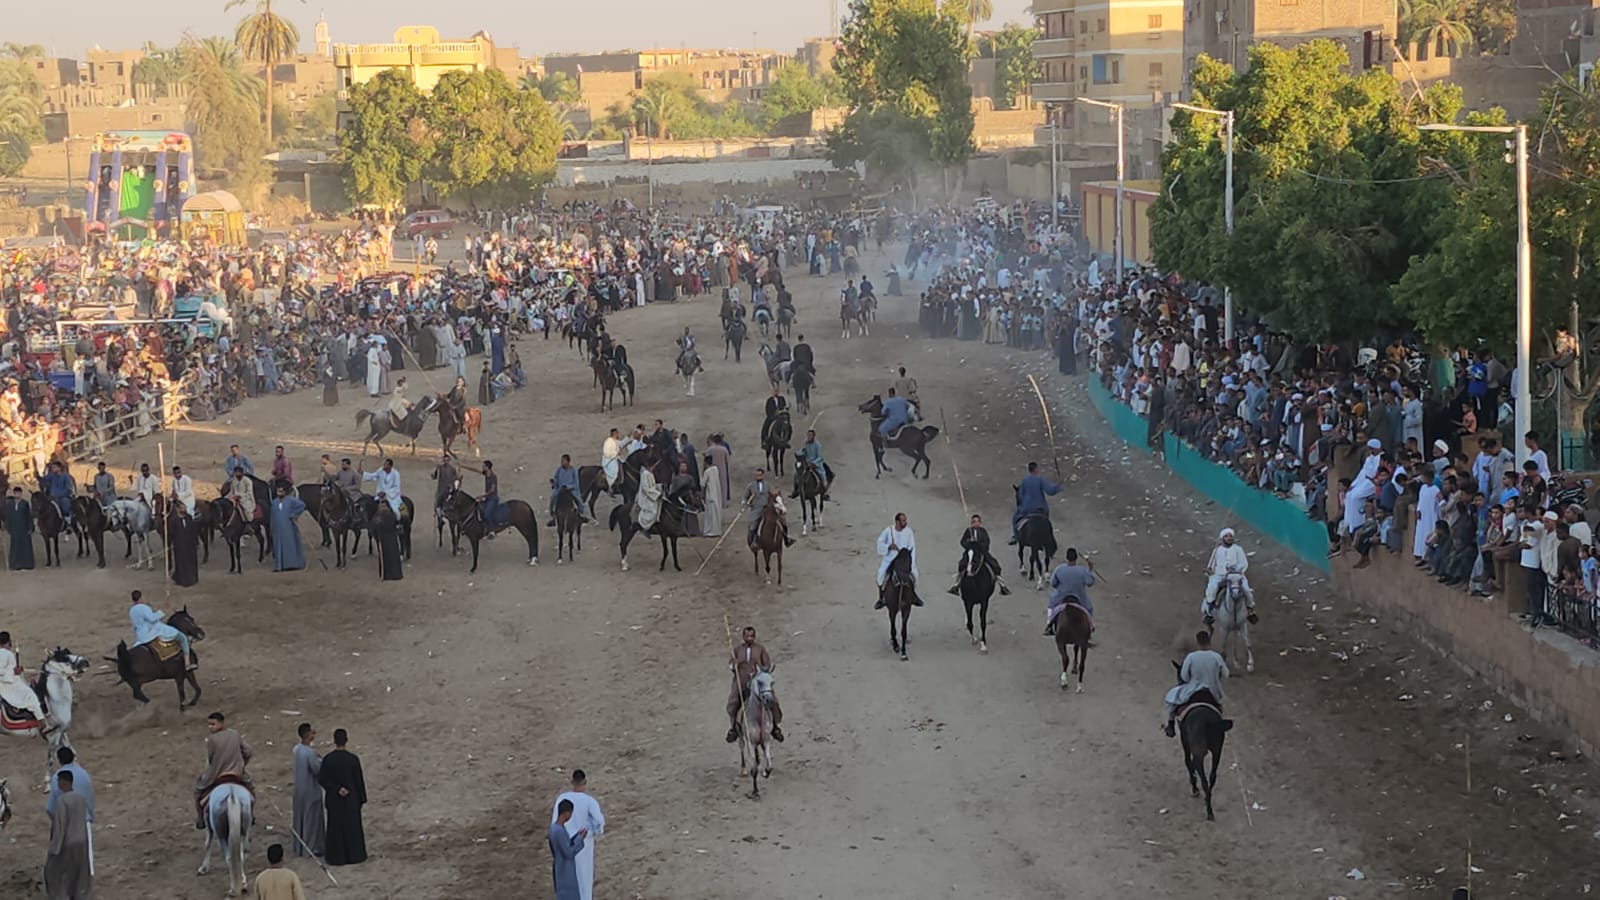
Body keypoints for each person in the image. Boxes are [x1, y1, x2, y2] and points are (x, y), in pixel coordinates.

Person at [550, 770, 606, 900]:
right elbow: (599, 821)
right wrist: (591, 831)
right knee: (584, 883)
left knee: (565, 885)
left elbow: (554, 825)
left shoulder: (562, 799)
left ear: (572, 783)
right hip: (583, 847)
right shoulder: (589, 801)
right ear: (585, 783)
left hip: (563, 847)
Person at [1163, 631, 1229, 737]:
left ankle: (1170, 725)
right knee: (1219, 706)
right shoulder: (1216, 657)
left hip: (1193, 689)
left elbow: (1184, 676)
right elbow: (1226, 674)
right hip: (1213, 691)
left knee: (1170, 698)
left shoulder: (1191, 657)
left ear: (1198, 643)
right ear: (1209, 642)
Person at [194, 711, 253, 830]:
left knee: (198, 792)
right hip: (237, 773)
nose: (210, 727)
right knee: (251, 789)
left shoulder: (212, 740)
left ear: (221, 723)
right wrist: (242, 765)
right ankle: (252, 814)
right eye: (209, 725)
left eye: (213, 724)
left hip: (218, 774)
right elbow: (248, 751)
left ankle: (200, 819)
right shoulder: (235, 734)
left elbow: (211, 760)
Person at [725, 625, 784, 744]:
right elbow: (731, 666)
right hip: (741, 681)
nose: (749, 638)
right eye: (747, 636)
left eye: (752, 636)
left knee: (772, 700)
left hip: (758, 681)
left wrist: (760, 670)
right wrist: (735, 664)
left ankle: (775, 727)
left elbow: (767, 665)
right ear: (743, 637)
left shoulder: (760, 649)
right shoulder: (737, 650)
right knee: (733, 702)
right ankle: (733, 728)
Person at [320, 728, 368, 866]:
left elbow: (322, 779)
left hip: (334, 799)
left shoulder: (328, 760)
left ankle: (337, 857)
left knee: (336, 828)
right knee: (352, 828)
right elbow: (358, 781)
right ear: (346, 740)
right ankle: (354, 855)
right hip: (350, 798)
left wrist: (336, 789)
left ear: (334, 741)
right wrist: (361, 799)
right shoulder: (352, 759)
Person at [44, 768, 92, 900]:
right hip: (82, 841)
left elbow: (60, 825)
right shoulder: (81, 798)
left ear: (64, 782)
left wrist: (54, 849)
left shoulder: (62, 800)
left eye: (59, 780)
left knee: (57, 874)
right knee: (80, 875)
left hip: (67, 842)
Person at [129, 589, 196, 670]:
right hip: (151, 632)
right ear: (141, 598)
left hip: (140, 635)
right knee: (182, 637)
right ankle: (187, 664)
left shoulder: (132, 610)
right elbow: (152, 619)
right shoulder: (143, 607)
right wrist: (163, 611)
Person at [946, 513, 1011, 596]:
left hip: (981, 552)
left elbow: (987, 542)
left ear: (980, 523)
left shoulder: (983, 531)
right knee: (962, 564)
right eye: (974, 521)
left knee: (994, 565)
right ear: (971, 523)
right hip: (970, 552)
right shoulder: (968, 531)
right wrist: (969, 542)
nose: (976, 523)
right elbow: (962, 542)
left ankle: (1002, 586)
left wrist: (978, 544)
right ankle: (956, 585)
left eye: (977, 521)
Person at [873, 512, 923, 608]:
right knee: (880, 574)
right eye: (903, 520)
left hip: (904, 559)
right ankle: (881, 598)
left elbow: (912, 547)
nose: (905, 522)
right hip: (890, 558)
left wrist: (909, 560)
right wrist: (888, 547)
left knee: (915, 574)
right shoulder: (888, 531)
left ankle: (914, 596)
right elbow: (880, 543)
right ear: (897, 521)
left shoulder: (909, 532)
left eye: (905, 520)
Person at [1201, 528, 1254, 615]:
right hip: (1219, 575)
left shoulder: (1238, 549)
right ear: (1222, 538)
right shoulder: (1217, 550)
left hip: (1235, 575)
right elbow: (1211, 565)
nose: (1229, 538)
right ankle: (1210, 609)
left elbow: (1244, 563)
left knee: (1246, 589)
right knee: (1212, 588)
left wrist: (1236, 569)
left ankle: (1250, 608)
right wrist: (1209, 570)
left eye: (1230, 536)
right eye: (1226, 536)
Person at [1044, 548, 1096, 636]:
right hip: (1079, 598)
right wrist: (1090, 570)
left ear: (1066, 558)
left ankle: (1049, 625)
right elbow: (1090, 582)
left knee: (1051, 605)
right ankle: (1090, 626)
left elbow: (1053, 583)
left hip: (1061, 597)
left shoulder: (1059, 569)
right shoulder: (1082, 570)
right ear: (1076, 558)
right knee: (1089, 608)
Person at [292, 722, 325, 858]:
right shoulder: (309, 753)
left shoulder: (296, 749)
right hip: (310, 790)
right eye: (312, 732)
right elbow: (317, 769)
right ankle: (312, 848)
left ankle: (299, 847)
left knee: (300, 818)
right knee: (311, 820)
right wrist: (321, 759)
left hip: (299, 789)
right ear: (307, 735)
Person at [1010, 461, 1062, 544]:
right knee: (1046, 519)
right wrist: (1058, 486)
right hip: (1042, 508)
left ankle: (1015, 536)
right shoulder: (1040, 479)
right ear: (1036, 469)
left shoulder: (1024, 481)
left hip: (1027, 509)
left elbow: (1020, 496)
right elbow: (1050, 491)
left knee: (1015, 517)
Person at [549, 799, 589, 900]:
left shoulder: (555, 828)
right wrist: (580, 839)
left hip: (561, 868)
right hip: (565, 870)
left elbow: (565, 844)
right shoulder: (559, 831)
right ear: (566, 813)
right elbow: (569, 852)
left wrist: (577, 836)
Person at [0, 631, 43, 723]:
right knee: (30, 695)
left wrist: (18, 671)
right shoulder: (3, 653)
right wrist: (14, 671)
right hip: (7, 685)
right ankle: (42, 722)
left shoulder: (6, 653)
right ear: (8, 641)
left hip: (11, 681)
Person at [743, 467, 793, 547]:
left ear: (763, 475)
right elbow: (745, 497)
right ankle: (753, 541)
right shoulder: (751, 486)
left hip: (767, 508)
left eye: (760, 475)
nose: (758, 477)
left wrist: (778, 499)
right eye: (756, 475)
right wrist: (744, 504)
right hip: (756, 508)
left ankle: (786, 539)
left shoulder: (767, 485)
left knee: (782, 520)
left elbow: (773, 494)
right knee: (753, 524)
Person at [47, 747, 95, 826]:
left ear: (59, 760)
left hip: (66, 824)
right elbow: (90, 799)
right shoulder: (84, 774)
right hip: (85, 823)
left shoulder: (57, 777)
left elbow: (50, 808)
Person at [460, 460, 502, 536]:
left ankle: (492, 530)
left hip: (493, 499)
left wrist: (482, 496)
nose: (482, 467)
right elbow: (475, 470)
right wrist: (464, 466)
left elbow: (492, 490)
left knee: (487, 514)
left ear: (487, 467)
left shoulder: (493, 476)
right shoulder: (486, 474)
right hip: (488, 499)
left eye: (483, 466)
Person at [270, 484, 307, 572]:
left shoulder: (291, 500)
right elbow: (272, 515)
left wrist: (294, 514)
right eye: (278, 491)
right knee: (278, 546)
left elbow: (302, 505)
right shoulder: (274, 502)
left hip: (289, 527)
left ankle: (293, 564)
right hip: (278, 528)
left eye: (281, 491)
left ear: (285, 492)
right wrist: (272, 526)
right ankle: (280, 566)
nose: (280, 493)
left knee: (290, 544)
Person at [792, 429, 834, 500]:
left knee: (822, 475)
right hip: (806, 464)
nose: (808, 437)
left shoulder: (817, 445)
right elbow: (804, 451)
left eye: (810, 436)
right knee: (796, 474)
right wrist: (798, 453)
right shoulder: (806, 443)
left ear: (814, 436)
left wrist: (813, 463)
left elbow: (820, 457)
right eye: (808, 435)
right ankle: (796, 490)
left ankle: (824, 492)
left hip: (816, 465)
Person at [548, 454, 586, 527]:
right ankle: (553, 516)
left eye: (563, 461)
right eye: (561, 461)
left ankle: (580, 514)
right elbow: (556, 478)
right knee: (553, 497)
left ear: (568, 461)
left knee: (578, 499)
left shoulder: (573, 471)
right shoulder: (559, 469)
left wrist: (568, 486)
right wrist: (554, 481)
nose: (561, 463)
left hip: (570, 489)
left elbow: (576, 483)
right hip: (560, 488)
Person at [168, 505, 201, 587]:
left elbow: (194, 530)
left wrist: (196, 542)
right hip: (179, 545)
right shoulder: (174, 521)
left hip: (190, 544)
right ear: (178, 509)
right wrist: (170, 543)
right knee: (181, 562)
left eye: (184, 508)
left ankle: (192, 578)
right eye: (182, 508)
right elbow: (171, 534)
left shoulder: (189, 518)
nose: (184, 509)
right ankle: (182, 580)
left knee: (191, 561)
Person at [4, 486, 35, 570]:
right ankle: (15, 565)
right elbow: (8, 516)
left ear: (21, 494)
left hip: (24, 527)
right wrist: (7, 526)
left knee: (25, 546)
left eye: (19, 493)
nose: (18, 494)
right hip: (14, 528)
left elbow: (29, 516)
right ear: (14, 493)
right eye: (16, 493)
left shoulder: (25, 503)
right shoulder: (10, 504)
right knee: (15, 546)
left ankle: (27, 564)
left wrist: (30, 527)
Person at [38, 460, 74, 526]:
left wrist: (59, 495)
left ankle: (68, 522)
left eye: (54, 467)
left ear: (59, 468)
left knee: (65, 505)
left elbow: (68, 489)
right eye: (52, 468)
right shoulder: (51, 475)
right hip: (52, 497)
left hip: (62, 497)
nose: (52, 469)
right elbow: (44, 479)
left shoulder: (66, 476)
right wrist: (39, 477)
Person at [374, 501, 404, 581]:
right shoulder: (378, 516)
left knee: (392, 556)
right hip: (383, 540)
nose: (383, 508)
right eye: (381, 507)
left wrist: (380, 524)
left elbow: (389, 526)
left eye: (384, 506)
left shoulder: (391, 516)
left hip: (390, 539)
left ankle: (394, 574)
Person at [601, 427, 624, 492]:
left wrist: (628, 437)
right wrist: (616, 453)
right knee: (614, 469)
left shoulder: (615, 441)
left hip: (616, 459)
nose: (618, 434)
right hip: (609, 460)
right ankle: (611, 485)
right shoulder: (608, 441)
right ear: (614, 434)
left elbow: (622, 443)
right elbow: (606, 453)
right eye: (617, 433)